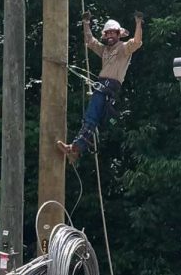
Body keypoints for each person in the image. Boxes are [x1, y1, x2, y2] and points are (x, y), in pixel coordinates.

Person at [58, 12, 144, 162]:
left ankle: (75, 148)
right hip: (102, 86)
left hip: (109, 87)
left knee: (91, 117)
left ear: (118, 34)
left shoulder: (124, 48)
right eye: (108, 33)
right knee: (91, 118)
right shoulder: (105, 50)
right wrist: (86, 23)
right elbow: (90, 41)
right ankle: (76, 149)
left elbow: (136, 41)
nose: (110, 35)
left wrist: (138, 23)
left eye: (113, 33)